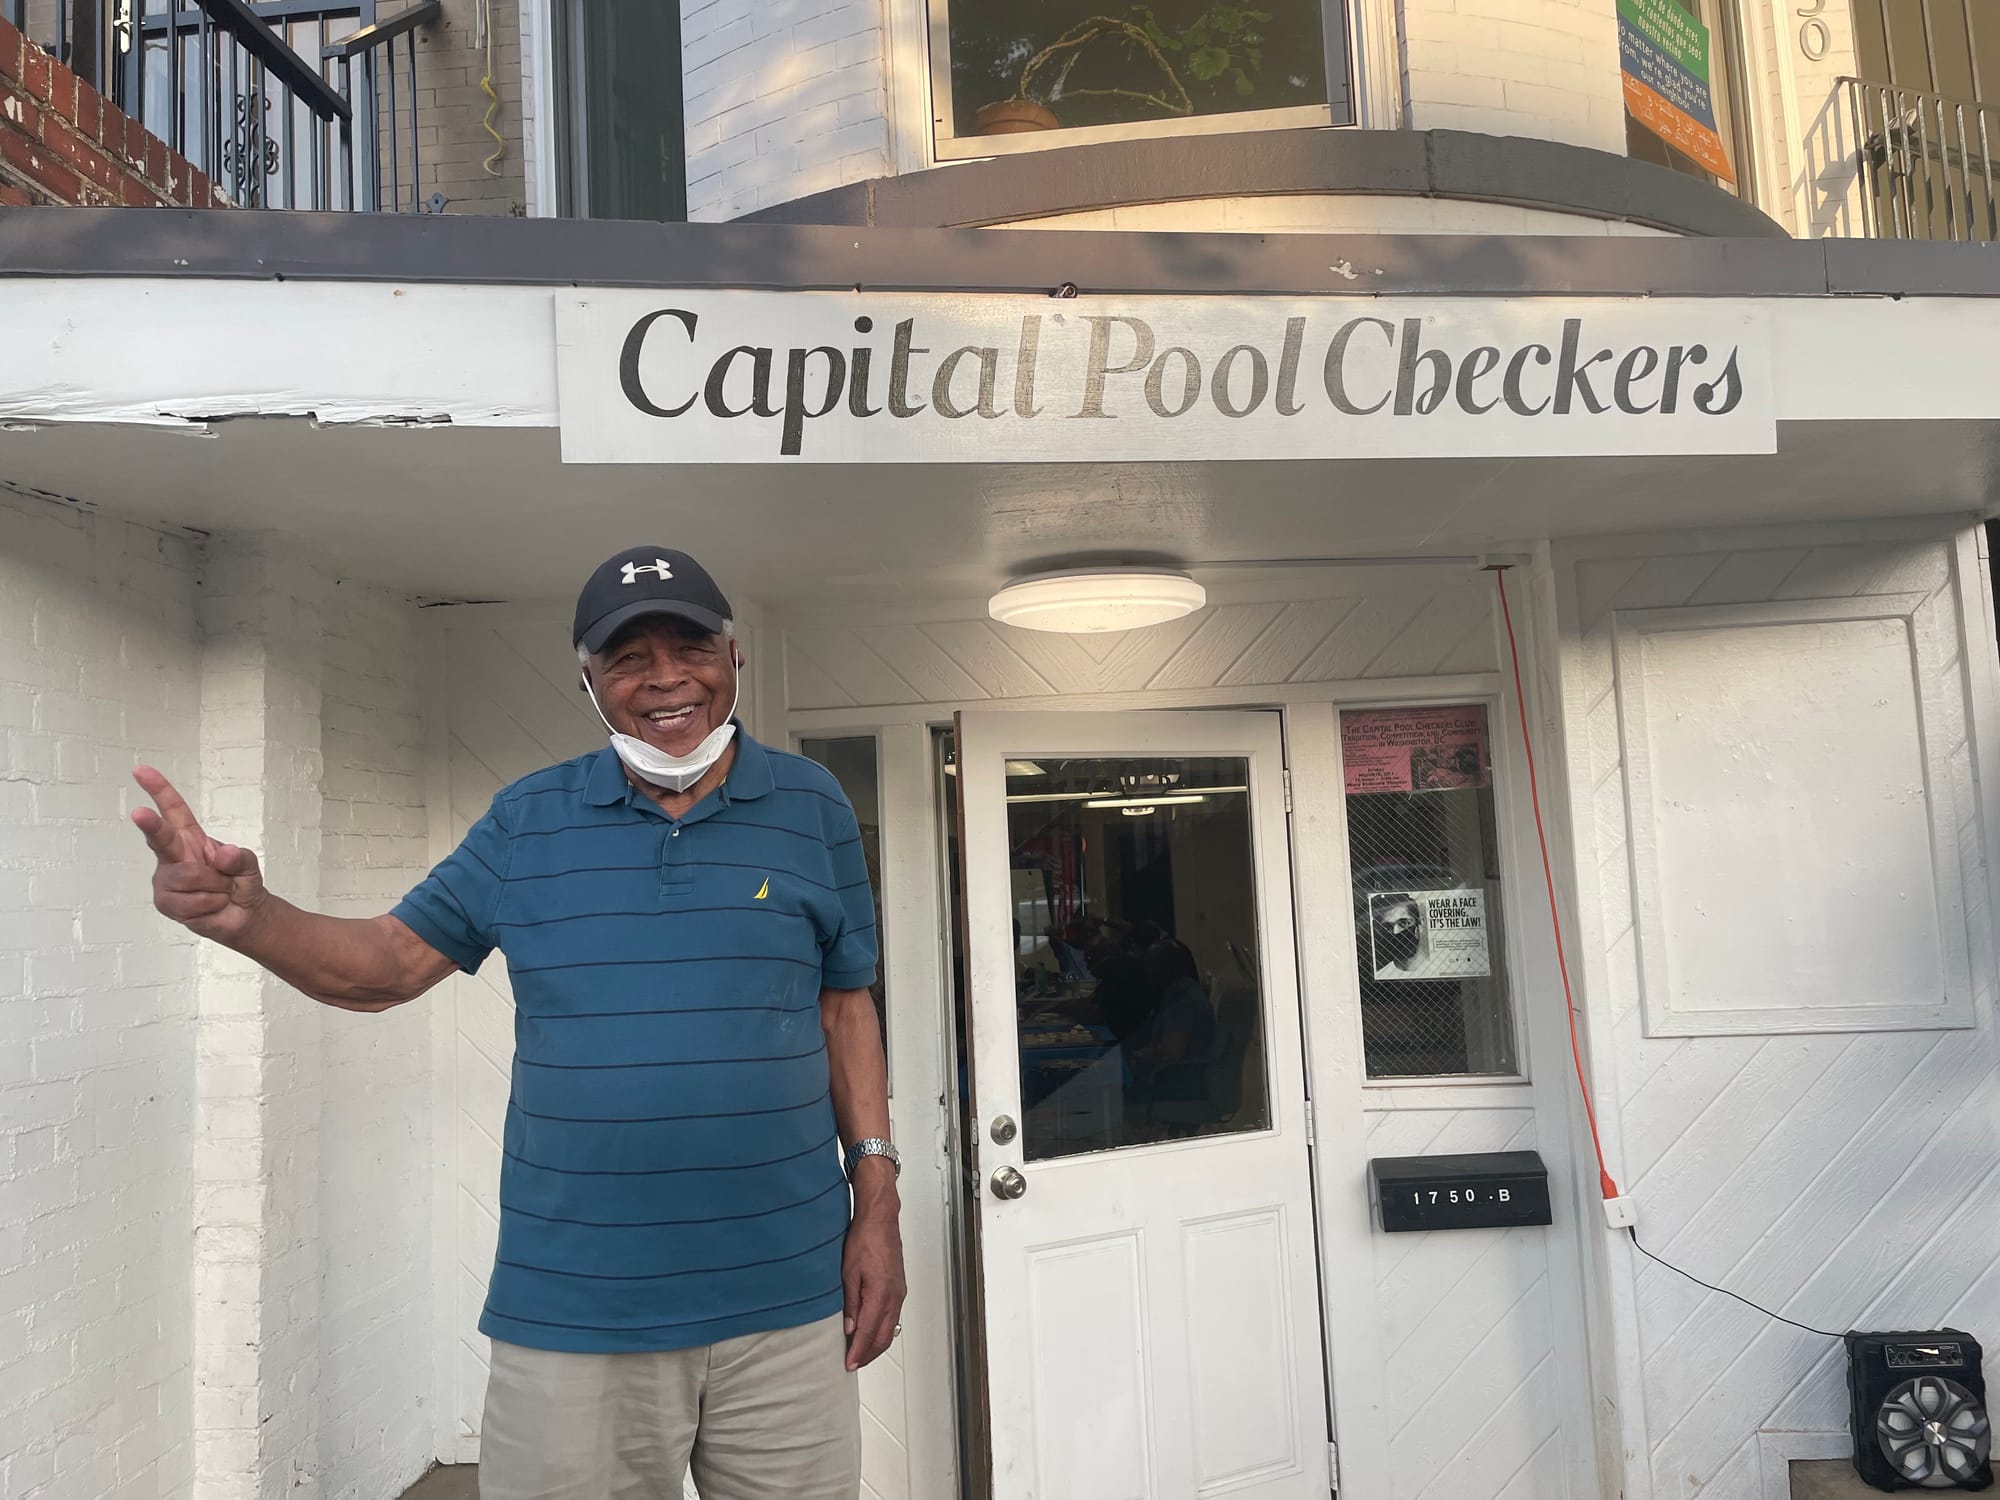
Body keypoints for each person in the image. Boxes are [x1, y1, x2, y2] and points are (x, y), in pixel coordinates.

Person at [132, 546, 904, 1500]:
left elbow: (844, 1003)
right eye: (628, 658)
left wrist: (878, 1206)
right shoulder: (528, 821)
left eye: (689, 646)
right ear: (590, 681)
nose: (665, 678)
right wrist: (254, 916)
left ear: (733, 656)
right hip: (576, 1308)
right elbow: (386, 968)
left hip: (788, 1298)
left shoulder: (812, 807)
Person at [1371, 892, 1429, 979]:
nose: (1395, 932)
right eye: (1387, 927)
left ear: (1420, 924)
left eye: (1404, 923)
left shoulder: (1435, 968)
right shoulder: (1381, 976)